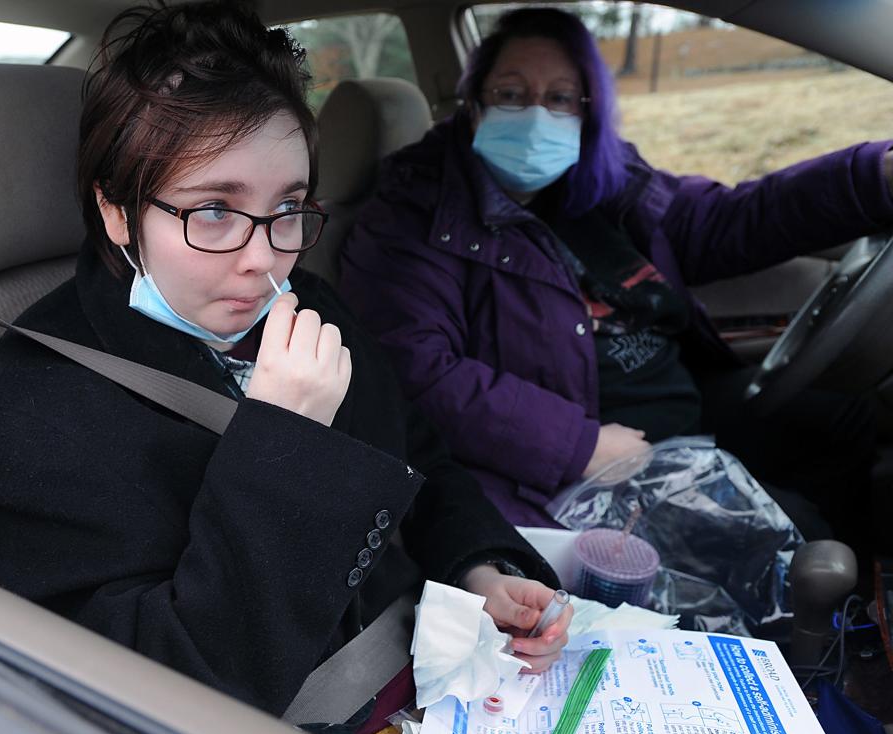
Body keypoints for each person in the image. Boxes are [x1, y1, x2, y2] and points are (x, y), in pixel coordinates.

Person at [0, 1, 574, 734]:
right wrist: (286, 439)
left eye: (289, 208)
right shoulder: (19, 425)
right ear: (117, 213)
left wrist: (480, 569)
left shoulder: (306, 305)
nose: (264, 257)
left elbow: (417, 455)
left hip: (445, 686)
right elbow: (171, 692)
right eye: (213, 210)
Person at [338, 7, 893, 554]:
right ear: (476, 106)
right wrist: (579, 446)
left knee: (843, 422)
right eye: (511, 94)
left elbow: (729, 219)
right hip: (590, 448)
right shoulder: (412, 215)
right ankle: (839, 620)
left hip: (679, 403)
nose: (536, 115)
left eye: (559, 98)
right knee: (803, 538)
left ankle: (858, 597)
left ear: (586, 111)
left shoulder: (607, 181)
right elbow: (417, 370)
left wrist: (874, 177)